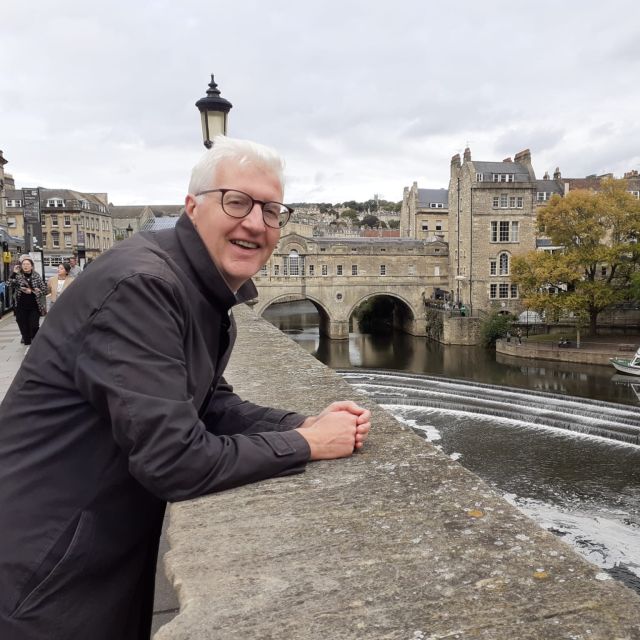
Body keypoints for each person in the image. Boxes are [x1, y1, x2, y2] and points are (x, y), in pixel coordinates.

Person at [0, 137, 371, 640]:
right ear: (192, 206)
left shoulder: (197, 288)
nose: (256, 223)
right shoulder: (143, 286)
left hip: (81, 556)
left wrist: (297, 422)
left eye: (271, 210)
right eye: (236, 202)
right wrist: (306, 444)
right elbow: (173, 459)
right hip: (40, 576)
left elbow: (207, 402)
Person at [5, 257, 47, 345]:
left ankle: (35, 341)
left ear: (31, 266)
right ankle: (27, 342)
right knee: (23, 326)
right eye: (23, 264)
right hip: (20, 306)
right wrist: (14, 273)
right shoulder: (18, 276)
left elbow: (44, 290)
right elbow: (8, 285)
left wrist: (34, 291)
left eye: (28, 264)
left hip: (34, 306)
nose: (25, 266)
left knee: (34, 325)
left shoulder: (36, 276)